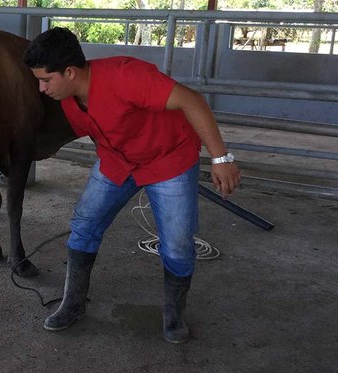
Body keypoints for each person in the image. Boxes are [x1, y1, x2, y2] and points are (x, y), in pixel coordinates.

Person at [23, 27, 241, 344]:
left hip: (168, 160)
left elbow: (192, 100)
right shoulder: (69, 97)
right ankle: (73, 302)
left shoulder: (126, 75)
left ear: (70, 72)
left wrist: (221, 158)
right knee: (84, 223)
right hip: (118, 161)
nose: (42, 88)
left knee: (177, 244)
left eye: (45, 80)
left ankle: (174, 313)